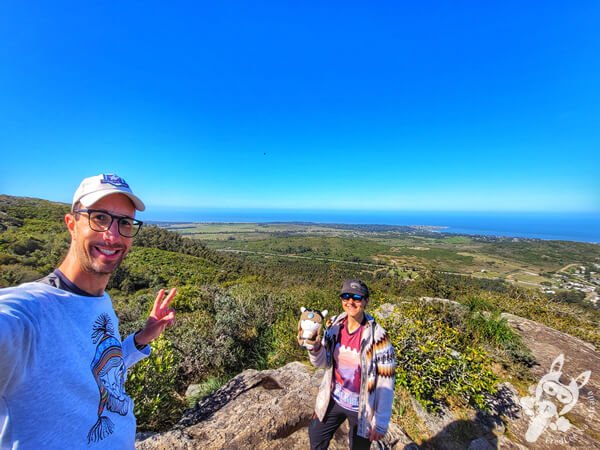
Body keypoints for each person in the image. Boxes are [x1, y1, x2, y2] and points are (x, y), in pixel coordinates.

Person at [0, 173, 176, 449]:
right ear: (72, 224)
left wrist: (142, 337)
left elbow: (99, 371)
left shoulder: (101, 301)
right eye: (100, 218)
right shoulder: (28, 311)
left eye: (124, 223)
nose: (113, 235)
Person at [304, 279, 396, 450]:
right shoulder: (333, 325)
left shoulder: (379, 338)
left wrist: (381, 422)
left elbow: (386, 382)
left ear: (366, 301)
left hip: (362, 406)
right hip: (334, 398)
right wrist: (315, 347)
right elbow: (323, 363)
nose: (350, 302)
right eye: (346, 296)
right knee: (316, 435)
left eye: (357, 298)